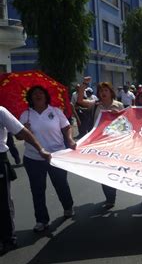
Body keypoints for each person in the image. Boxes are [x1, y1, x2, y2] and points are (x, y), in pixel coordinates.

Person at [19, 86, 76, 232]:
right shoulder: (26, 114)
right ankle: (41, 220)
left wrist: (69, 140)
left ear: (46, 96)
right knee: (37, 190)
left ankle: (68, 207)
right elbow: (18, 135)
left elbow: (67, 127)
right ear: (30, 98)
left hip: (56, 156)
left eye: (41, 93)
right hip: (33, 158)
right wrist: (23, 130)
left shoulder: (55, 111)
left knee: (61, 184)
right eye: (34, 94)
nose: (38, 95)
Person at [1, 106, 51, 253]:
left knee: (3, 202)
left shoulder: (1, 111)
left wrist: (40, 149)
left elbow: (23, 133)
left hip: (0, 160)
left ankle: (8, 239)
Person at [76, 79, 124, 208]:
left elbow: (125, 123)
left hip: (116, 143)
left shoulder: (119, 105)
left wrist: (118, 115)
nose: (103, 93)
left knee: (115, 169)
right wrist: (84, 85)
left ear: (111, 92)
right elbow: (80, 101)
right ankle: (110, 198)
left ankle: (114, 188)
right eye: (101, 91)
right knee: (104, 170)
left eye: (105, 90)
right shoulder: (95, 105)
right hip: (100, 144)